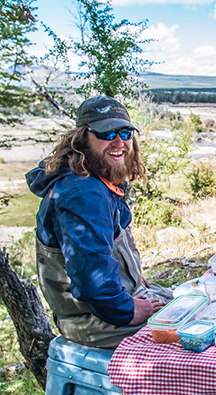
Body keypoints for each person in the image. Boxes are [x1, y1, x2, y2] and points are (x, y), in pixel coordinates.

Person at [26, 96, 173, 350]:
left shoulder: (100, 179)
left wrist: (132, 277)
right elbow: (92, 281)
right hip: (95, 321)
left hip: (111, 305)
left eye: (125, 132)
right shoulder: (82, 194)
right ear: (82, 139)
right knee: (192, 330)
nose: (119, 142)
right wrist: (128, 311)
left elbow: (105, 250)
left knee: (195, 300)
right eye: (106, 133)